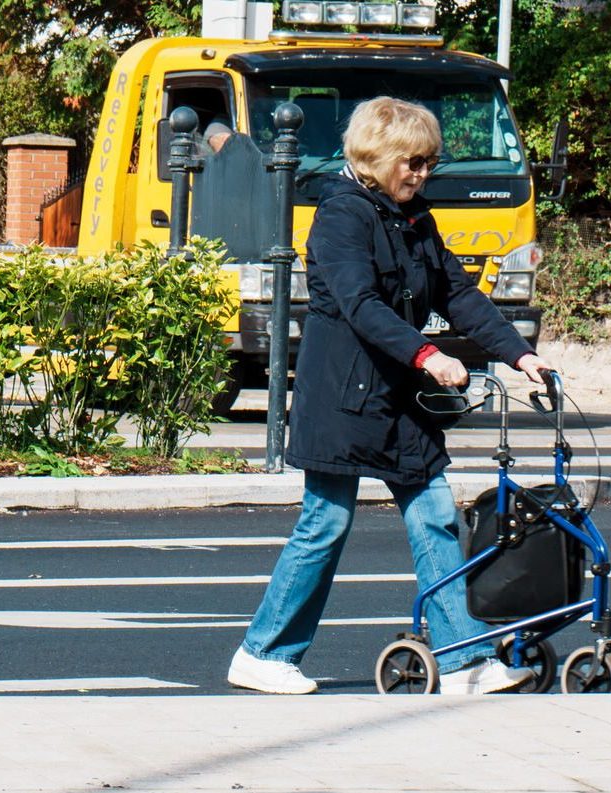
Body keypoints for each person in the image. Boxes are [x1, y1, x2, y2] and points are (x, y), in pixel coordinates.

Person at [227, 96, 556, 697]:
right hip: (343, 399)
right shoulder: (341, 215)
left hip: (400, 398)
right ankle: (263, 653)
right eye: (412, 162)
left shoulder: (413, 219)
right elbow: (361, 306)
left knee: (435, 516)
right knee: (324, 523)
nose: (422, 173)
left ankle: (463, 661)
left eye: (429, 162)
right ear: (376, 158)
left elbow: (458, 294)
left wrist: (520, 353)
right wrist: (428, 355)